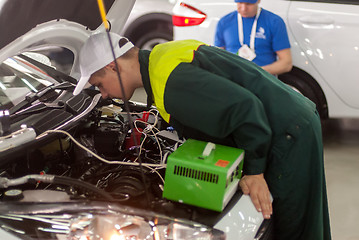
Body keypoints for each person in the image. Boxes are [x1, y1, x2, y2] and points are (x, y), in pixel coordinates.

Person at [73, 32, 331, 240]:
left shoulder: (170, 81)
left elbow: (246, 110)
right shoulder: (161, 56)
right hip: (290, 116)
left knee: (294, 226)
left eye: (99, 84)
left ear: (112, 66)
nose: (103, 94)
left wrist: (254, 171)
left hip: (287, 132)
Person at [214, 0, 292, 75]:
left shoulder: (274, 22)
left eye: (248, 4)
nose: (243, 8)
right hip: (233, 77)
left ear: (258, 0)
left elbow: (286, 64)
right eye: (240, 3)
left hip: (262, 77)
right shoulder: (224, 22)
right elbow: (218, 57)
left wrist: (255, 73)